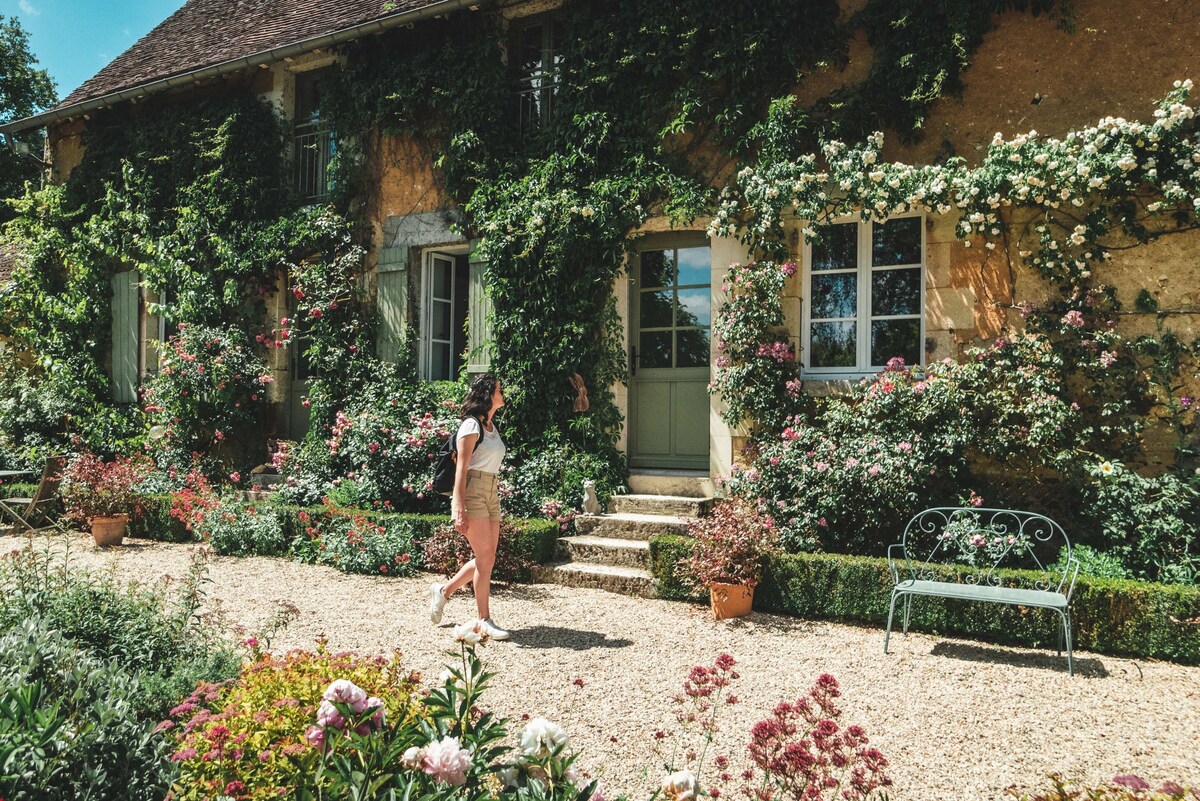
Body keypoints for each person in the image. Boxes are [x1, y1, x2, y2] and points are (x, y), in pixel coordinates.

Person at [428, 373, 511, 640]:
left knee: (487, 558)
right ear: (488, 395)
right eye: (499, 389)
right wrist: (458, 507)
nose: (502, 393)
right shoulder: (471, 426)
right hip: (473, 489)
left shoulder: (492, 427)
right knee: (485, 558)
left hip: (491, 490)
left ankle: (444, 591)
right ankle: (483, 619)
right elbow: (461, 470)